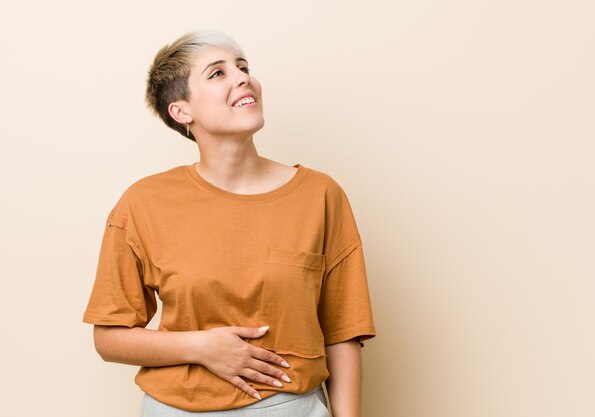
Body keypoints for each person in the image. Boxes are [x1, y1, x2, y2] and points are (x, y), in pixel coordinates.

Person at [82, 29, 376, 417]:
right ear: (182, 111)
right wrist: (200, 348)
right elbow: (109, 338)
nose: (242, 77)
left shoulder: (320, 196)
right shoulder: (143, 203)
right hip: (175, 409)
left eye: (243, 67)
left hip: (293, 408)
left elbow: (343, 334)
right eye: (217, 73)